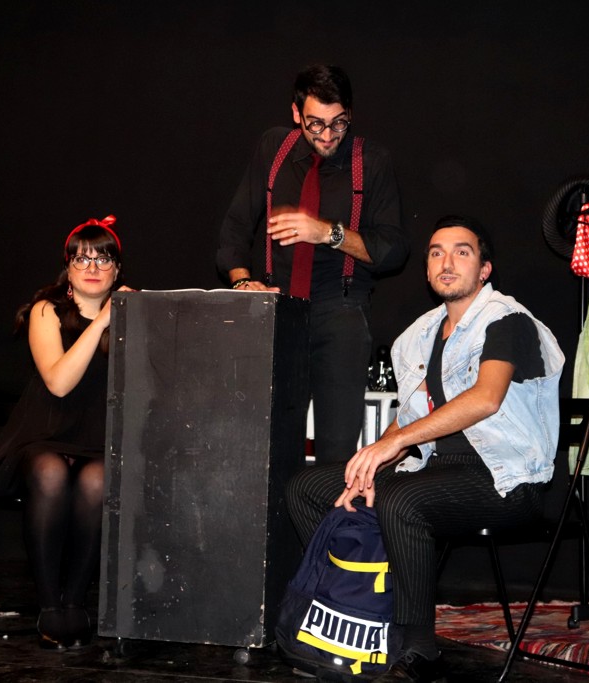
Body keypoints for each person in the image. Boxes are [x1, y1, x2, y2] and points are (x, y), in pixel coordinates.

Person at [286, 216, 564, 681]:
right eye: (436, 253)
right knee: (308, 488)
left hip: (506, 478)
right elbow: (410, 417)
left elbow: (486, 398)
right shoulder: (422, 334)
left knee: (401, 500)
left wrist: (395, 442)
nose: (447, 262)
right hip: (437, 470)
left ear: (484, 269)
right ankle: (356, 607)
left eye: (462, 252)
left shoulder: (507, 320)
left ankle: (418, 649)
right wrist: (371, 459)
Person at [217, 63, 409, 465]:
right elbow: (235, 228)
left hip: (340, 310)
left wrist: (327, 233)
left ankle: (331, 508)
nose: (327, 135)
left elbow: (392, 251)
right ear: (295, 113)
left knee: (335, 452)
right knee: (267, 448)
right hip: (279, 309)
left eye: (338, 123)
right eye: (315, 124)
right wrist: (242, 282)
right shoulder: (274, 148)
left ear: (350, 114)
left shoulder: (371, 161)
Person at [0, 215, 133, 650]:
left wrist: (124, 318)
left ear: (117, 271)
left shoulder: (131, 315)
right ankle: (50, 604)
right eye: (81, 259)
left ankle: (75, 601)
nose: (92, 267)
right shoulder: (46, 310)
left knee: (98, 479)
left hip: (97, 440)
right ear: (67, 268)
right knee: (50, 472)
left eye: (103, 259)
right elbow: (59, 383)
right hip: (44, 435)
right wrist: (102, 321)